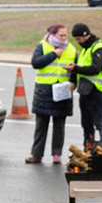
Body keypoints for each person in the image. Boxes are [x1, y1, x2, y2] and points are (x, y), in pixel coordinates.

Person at [26, 23, 75, 164]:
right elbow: (36, 63)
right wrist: (54, 54)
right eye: (61, 35)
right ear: (53, 35)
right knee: (41, 125)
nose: (64, 38)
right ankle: (36, 154)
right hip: (45, 91)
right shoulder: (42, 46)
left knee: (59, 125)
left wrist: (73, 79)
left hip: (63, 90)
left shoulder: (71, 49)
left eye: (66, 35)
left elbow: (76, 69)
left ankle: (57, 154)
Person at [70, 22, 102, 150]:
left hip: (97, 92)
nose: (78, 42)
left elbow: (96, 68)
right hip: (85, 92)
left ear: (86, 35)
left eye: (79, 39)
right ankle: (88, 149)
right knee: (86, 124)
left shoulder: (99, 47)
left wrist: (76, 69)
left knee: (100, 123)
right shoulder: (85, 49)